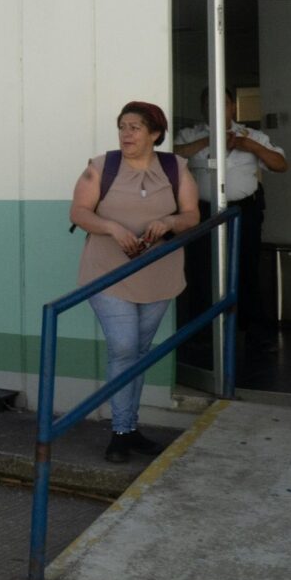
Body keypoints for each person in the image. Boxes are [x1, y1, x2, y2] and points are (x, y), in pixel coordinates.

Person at [70, 101, 200, 463]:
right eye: (122, 126)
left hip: (159, 271)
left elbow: (192, 215)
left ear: (155, 133)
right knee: (124, 348)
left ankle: (129, 428)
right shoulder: (101, 167)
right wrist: (110, 226)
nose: (126, 134)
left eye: (135, 127)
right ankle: (121, 430)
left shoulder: (175, 167)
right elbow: (78, 212)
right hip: (107, 272)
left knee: (139, 355)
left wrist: (171, 222)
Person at [175, 89, 288, 354]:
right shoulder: (191, 135)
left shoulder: (253, 136)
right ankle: (201, 333)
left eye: (222, 103)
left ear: (233, 108)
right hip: (201, 211)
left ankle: (255, 332)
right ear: (203, 109)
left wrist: (251, 147)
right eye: (208, 103)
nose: (216, 107)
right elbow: (171, 157)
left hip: (243, 211)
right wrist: (208, 140)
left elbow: (281, 164)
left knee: (246, 268)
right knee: (201, 270)